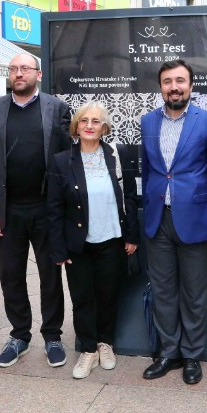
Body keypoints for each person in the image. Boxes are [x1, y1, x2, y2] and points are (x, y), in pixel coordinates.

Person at [0, 53, 72, 368]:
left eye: (24, 69)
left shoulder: (56, 109)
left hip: (46, 209)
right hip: (8, 210)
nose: (18, 73)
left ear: (39, 74)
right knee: (11, 275)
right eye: (13, 69)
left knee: (50, 275)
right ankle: (19, 334)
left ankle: (52, 336)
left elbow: (65, 159)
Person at [140, 59, 207, 385]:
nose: (174, 86)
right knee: (163, 292)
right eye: (167, 81)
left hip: (196, 221)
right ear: (161, 86)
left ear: (191, 85)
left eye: (180, 80)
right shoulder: (147, 122)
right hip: (157, 221)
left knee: (194, 293)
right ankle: (168, 352)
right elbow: (149, 172)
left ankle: (192, 355)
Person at [47, 101, 139, 379]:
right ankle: (88, 349)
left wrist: (132, 235)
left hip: (112, 240)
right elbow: (53, 208)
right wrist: (59, 249)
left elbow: (131, 198)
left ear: (104, 127)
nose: (89, 125)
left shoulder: (116, 155)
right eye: (84, 120)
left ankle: (105, 344)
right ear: (76, 126)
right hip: (79, 245)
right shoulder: (62, 161)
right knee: (82, 298)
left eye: (95, 121)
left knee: (108, 295)